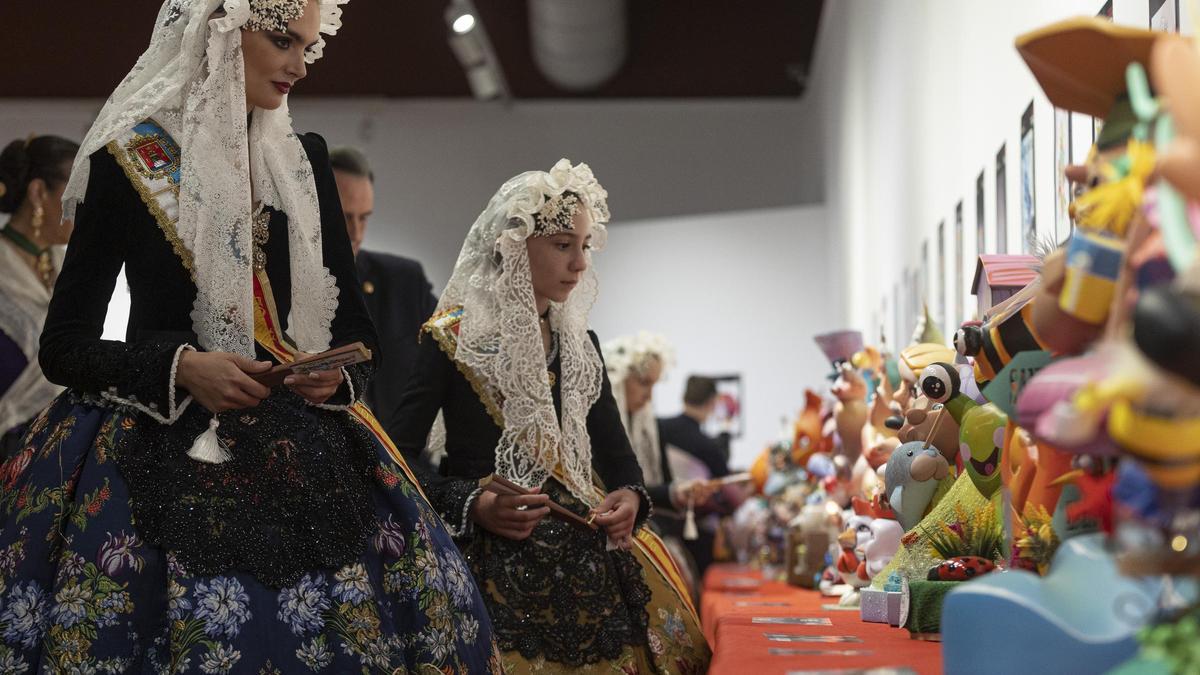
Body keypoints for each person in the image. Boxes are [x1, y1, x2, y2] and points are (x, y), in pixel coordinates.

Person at [0, 1, 498, 671]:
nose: (300, 63)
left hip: (306, 444)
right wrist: (181, 365)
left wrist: (338, 372)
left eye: (309, 47)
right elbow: (63, 345)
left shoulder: (304, 160)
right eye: (284, 41)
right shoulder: (129, 159)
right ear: (223, 30)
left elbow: (354, 326)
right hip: (155, 444)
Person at [388, 159, 710, 673]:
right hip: (488, 564)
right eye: (563, 245)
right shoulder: (452, 340)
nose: (579, 263)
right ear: (514, 245)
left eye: (584, 246)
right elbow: (400, 458)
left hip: (589, 565)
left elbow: (620, 460)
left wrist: (629, 497)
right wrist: (474, 503)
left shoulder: (582, 347)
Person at [329, 146, 439, 433]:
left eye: (364, 218)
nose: (356, 234)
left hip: (403, 460)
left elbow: (455, 352)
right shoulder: (277, 292)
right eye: (344, 217)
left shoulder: (405, 281)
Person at [0, 134, 78, 458]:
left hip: (54, 441)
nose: (82, 206)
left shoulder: (62, 263)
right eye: (74, 192)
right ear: (38, 192)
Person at [658, 375, 733, 574]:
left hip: (657, 524)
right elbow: (726, 489)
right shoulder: (708, 446)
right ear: (711, 402)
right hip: (697, 531)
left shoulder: (658, 427)